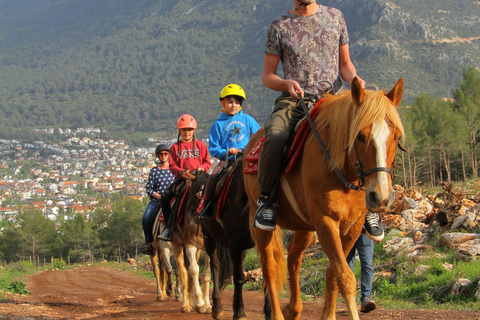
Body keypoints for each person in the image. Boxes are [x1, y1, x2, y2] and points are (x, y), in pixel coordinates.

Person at [254, 0, 384, 242]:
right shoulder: (279, 26)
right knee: (276, 135)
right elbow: (267, 76)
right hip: (295, 101)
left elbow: (345, 65)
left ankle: (370, 205)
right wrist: (286, 84)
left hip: (333, 100)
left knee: (369, 135)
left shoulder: (336, 17)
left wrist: (354, 78)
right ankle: (266, 201)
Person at [200, 84, 261, 220]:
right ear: (223, 102)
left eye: (237, 102)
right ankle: (207, 208)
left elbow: (259, 136)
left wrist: (251, 148)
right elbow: (214, 149)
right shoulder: (217, 124)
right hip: (228, 159)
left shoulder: (247, 119)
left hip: (247, 157)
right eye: (230, 102)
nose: (234, 105)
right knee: (213, 177)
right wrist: (227, 152)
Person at [158, 114, 211, 241]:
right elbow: (171, 166)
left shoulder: (201, 145)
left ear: (194, 131)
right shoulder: (175, 147)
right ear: (179, 131)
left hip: (199, 178)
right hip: (182, 180)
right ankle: (169, 228)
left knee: (213, 192)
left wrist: (202, 168)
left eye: (190, 129)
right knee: (165, 197)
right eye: (184, 130)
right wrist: (181, 172)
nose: (187, 132)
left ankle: (214, 223)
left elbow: (207, 162)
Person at [140, 144, 175, 255]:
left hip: (173, 199)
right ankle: (149, 243)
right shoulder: (154, 171)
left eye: (166, 153)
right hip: (158, 200)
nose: (164, 156)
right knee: (146, 217)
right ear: (158, 156)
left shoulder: (174, 169)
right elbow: (149, 188)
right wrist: (159, 196)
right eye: (161, 154)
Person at [346, 227, 376, 313]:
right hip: (347, 233)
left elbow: (374, 214)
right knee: (347, 266)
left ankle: (366, 299)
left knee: (367, 264)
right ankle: (351, 301)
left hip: (365, 233)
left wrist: (378, 232)